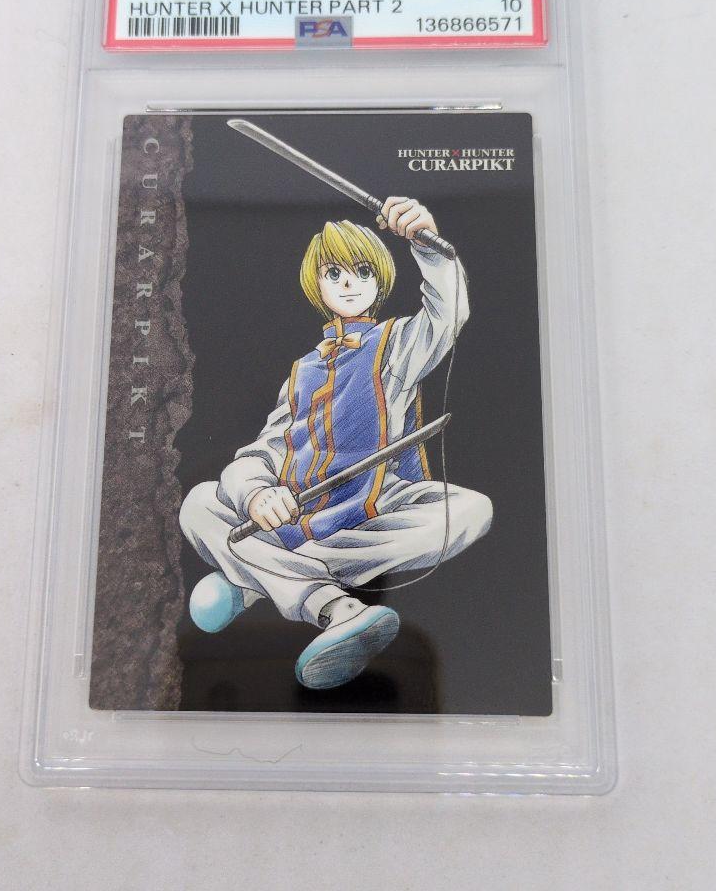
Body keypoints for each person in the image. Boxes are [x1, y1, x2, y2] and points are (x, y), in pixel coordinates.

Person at [179, 196, 492, 689]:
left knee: (471, 511)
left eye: (362, 272)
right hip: (298, 508)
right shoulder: (302, 372)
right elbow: (263, 450)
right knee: (199, 503)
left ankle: (256, 578)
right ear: (318, 285)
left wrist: (427, 245)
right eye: (335, 273)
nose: (349, 284)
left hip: (375, 507)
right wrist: (257, 493)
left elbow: (446, 315)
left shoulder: (396, 346)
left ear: (379, 282)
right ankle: (335, 607)